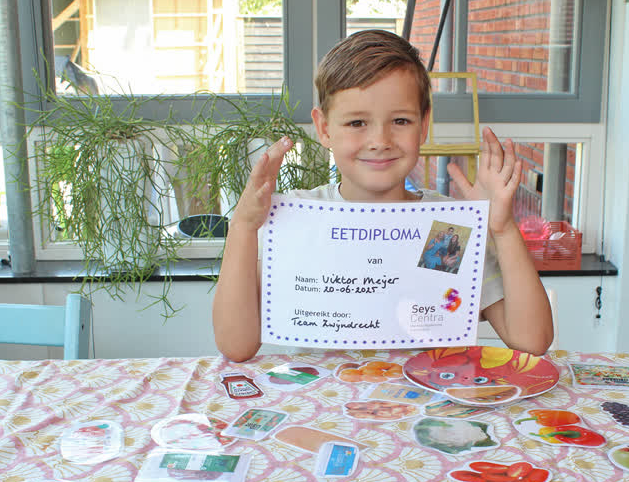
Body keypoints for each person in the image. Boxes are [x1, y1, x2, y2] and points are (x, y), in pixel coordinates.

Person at [213, 29, 553, 362]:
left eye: (400, 121)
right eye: (357, 123)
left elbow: (531, 341)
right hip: (324, 400)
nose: (380, 141)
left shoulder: (447, 229)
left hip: (430, 396)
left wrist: (503, 230)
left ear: (424, 125)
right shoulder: (297, 220)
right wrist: (242, 226)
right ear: (324, 128)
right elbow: (236, 345)